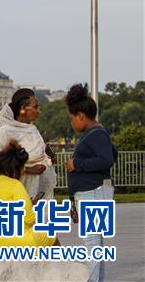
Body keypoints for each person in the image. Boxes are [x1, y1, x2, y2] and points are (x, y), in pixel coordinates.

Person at [64, 84, 117, 282]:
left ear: (80, 116)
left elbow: (106, 159)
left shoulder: (96, 133)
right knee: (96, 247)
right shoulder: (97, 132)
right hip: (91, 191)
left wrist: (77, 164)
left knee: (92, 247)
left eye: (72, 119)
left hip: (92, 192)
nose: (72, 124)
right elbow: (112, 154)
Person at [0, 140, 57, 254]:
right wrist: (31, 207)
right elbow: (29, 219)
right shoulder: (15, 185)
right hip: (11, 241)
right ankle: (63, 269)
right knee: (50, 235)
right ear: (16, 168)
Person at [0, 88, 57, 202]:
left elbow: (39, 154)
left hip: (41, 190)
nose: (39, 111)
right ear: (23, 109)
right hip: (20, 189)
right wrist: (27, 169)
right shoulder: (6, 131)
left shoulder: (33, 129)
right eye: (35, 107)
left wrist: (49, 159)